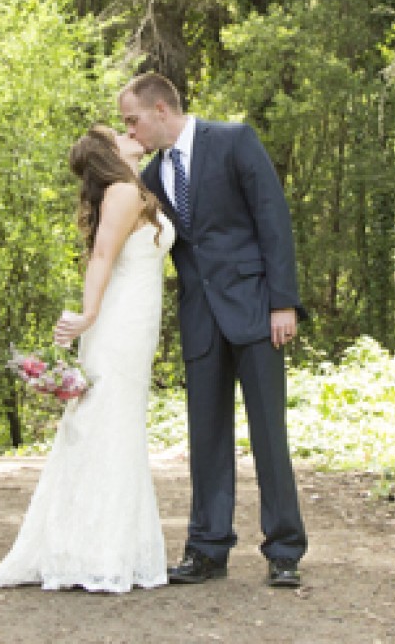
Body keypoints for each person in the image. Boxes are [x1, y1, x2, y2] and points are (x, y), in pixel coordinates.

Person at [119, 73, 308, 588]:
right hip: (200, 318)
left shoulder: (233, 141)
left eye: (132, 120)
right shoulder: (152, 176)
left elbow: (273, 219)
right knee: (205, 437)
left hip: (255, 310)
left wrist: (283, 302)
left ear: (161, 109)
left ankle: (284, 550)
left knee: (270, 434)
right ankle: (207, 548)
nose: (130, 131)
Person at [0, 125, 175, 593]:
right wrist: (89, 313)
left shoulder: (134, 189)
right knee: (108, 426)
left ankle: (105, 548)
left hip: (136, 322)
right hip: (118, 324)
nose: (130, 133)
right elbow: (100, 258)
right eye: (120, 133)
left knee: (116, 423)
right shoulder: (121, 193)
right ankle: (98, 553)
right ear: (110, 153)